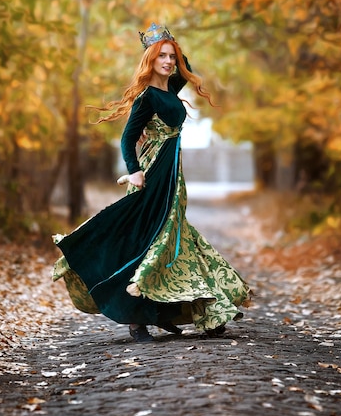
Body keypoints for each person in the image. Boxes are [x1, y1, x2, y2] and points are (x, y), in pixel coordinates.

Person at [53, 23, 251, 342]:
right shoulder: (148, 98)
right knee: (148, 242)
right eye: (162, 56)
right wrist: (134, 171)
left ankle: (195, 310)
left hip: (173, 176)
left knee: (174, 242)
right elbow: (128, 138)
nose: (169, 61)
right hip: (153, 175)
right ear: (150, 59)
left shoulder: (170, 89)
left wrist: (166, 41)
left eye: (172, 56)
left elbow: (189, 69)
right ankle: (139, 318)